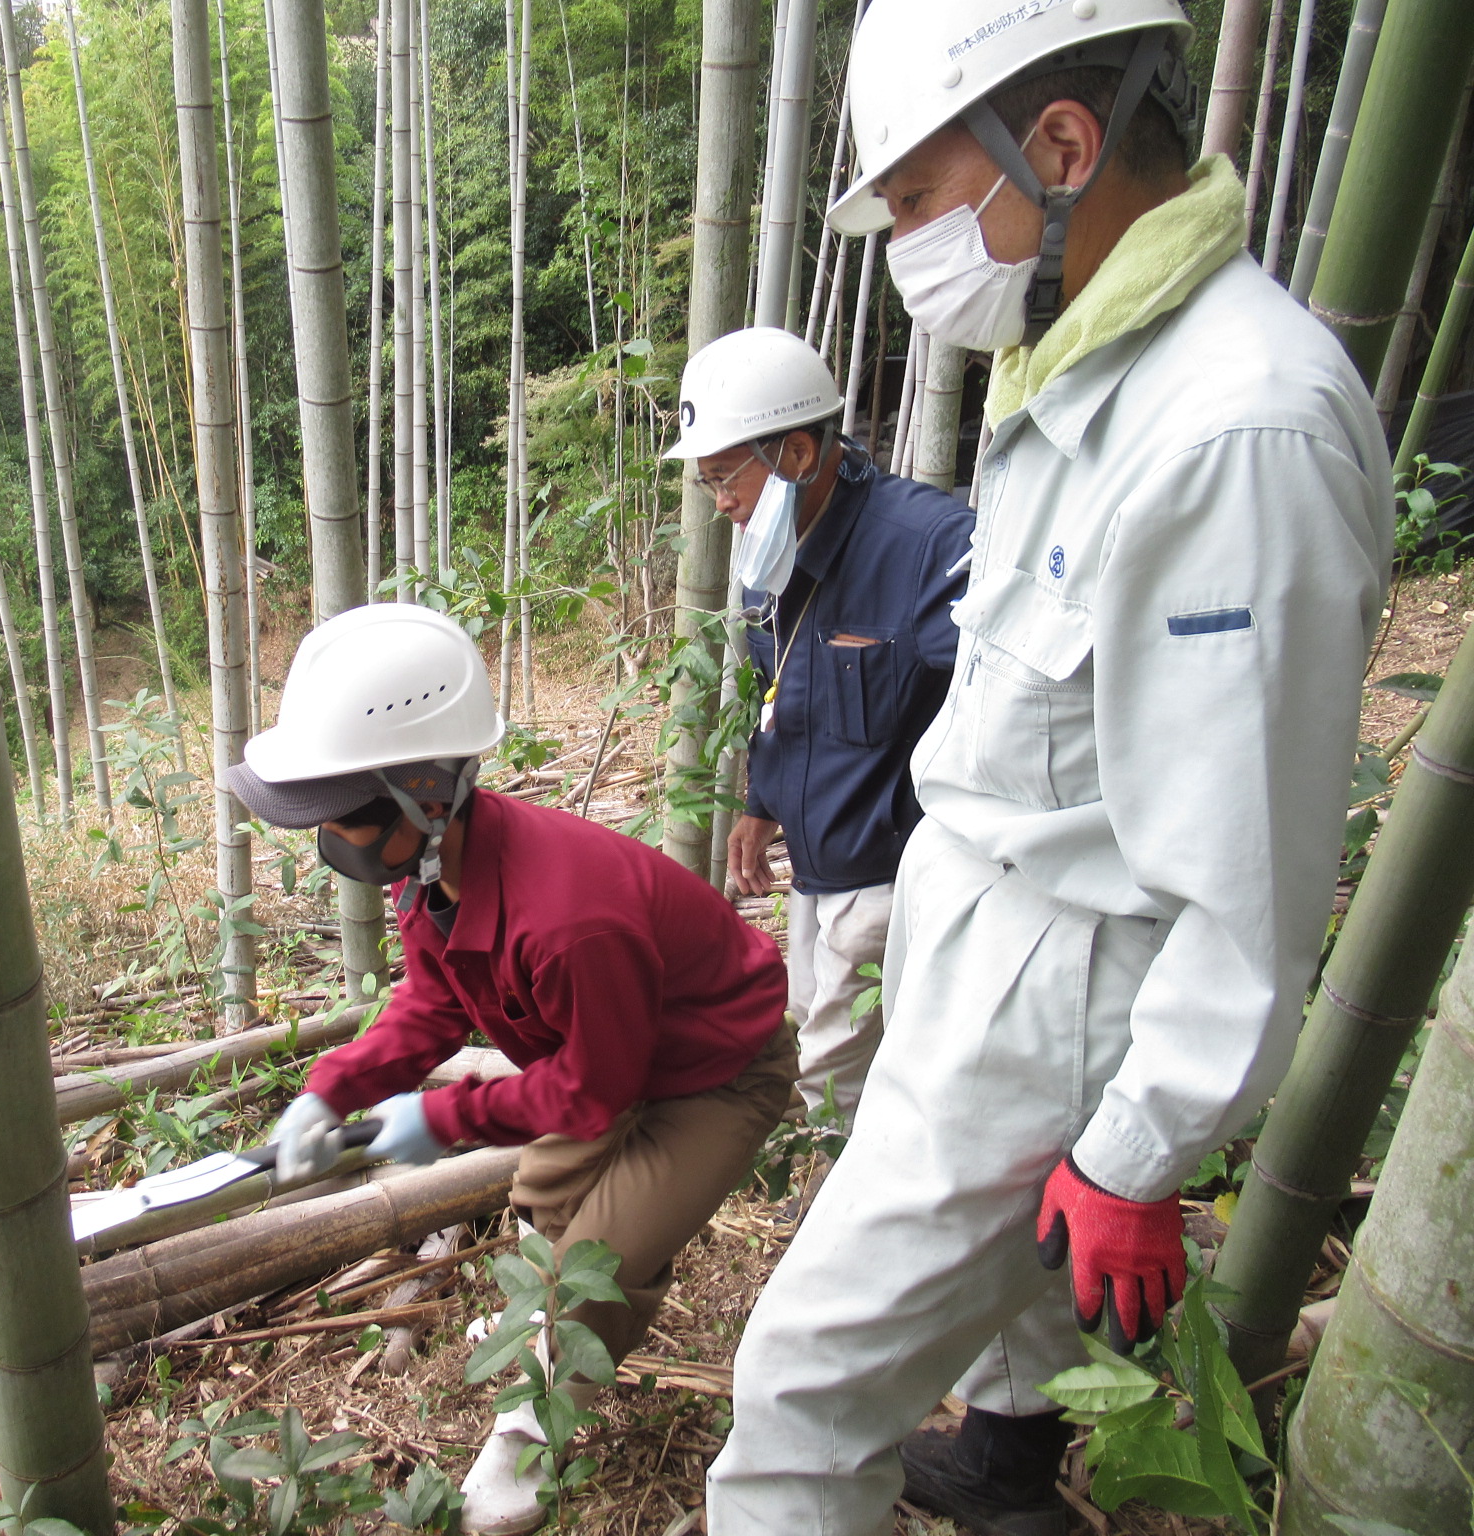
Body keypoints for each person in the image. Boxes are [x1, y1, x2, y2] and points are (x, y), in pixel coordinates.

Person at [707, 1, 1394, 1533]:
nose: (907, 253)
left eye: (920, 201)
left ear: (1063, 147)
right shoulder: (1080, 357)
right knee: (1014, 1268)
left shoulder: (1238, 431)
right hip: (981, 915)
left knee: (801, 1390)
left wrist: (1145, 1146)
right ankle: (1012, 1466)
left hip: (1066, 981)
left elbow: (1248, 869)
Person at [227, 603, 795, 1536]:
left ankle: (535, 1415)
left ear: (427, 792)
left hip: (713, 1070)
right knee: (542, 1194)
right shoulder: (433, 874)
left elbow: (593, 1092)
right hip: (608, 1049)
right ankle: (552, 1307)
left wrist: (440, 1121)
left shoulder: (571, 921)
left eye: (348, 820)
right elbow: (434, 1003)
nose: (333, 843)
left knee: (590, 1265)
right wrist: (331, 1090)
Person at [667, 327, 972, 1126]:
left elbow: (1000, 699)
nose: (721, 504)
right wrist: (762, 799)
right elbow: (784, 686)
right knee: (812, 1032)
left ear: (798, 453)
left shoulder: (925, 546)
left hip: (886, 872)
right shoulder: (777, 546)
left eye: (725, 479)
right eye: (706, 485)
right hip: (815, 862)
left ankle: (830, 1206)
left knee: (834, 1080)